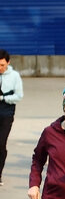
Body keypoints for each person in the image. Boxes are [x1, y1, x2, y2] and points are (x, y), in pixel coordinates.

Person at [0, 50, 23, 187]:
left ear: (8, 62)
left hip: (6, 113)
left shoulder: (14, 76)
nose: (0, 68)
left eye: (2, 65)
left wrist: (3, 98)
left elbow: (19, 95)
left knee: (1, 143)